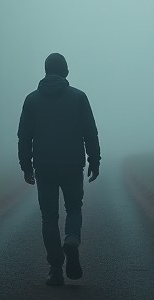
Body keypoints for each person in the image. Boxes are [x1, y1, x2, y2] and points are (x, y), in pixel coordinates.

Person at [17, 52, 101, 286]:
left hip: (44, 166)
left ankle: (55, 269)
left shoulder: (31, 100)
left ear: (45, 71)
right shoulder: (79, 97)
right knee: (74, 207)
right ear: (65, 71)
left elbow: (24, 137)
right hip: (73, 164)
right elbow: (90, 132)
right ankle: (72, 239)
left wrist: (26, 167)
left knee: (49, 217)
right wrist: (94, 161)